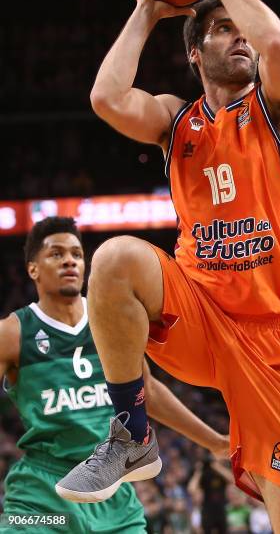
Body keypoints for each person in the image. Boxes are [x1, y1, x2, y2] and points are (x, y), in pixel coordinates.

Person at [56, 0, 280, 531]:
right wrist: (146, 11)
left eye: (240, 28)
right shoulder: (178, 120)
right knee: (116, 257)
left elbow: (278, 45)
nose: (241, 39)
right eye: (222, 28)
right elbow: (105, 96)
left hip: (272, 336)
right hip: (197, 311)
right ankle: (132, 433)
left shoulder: (277, 110)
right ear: (195, 53)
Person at [0, 217, 229, 533]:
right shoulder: (12, 332)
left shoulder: (107, 316)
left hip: (111, 487)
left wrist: (215, 442)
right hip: (41, 494)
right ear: (33, 269)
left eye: (77, 254)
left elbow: (146, 389)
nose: (70, 260)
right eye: (56, 254)